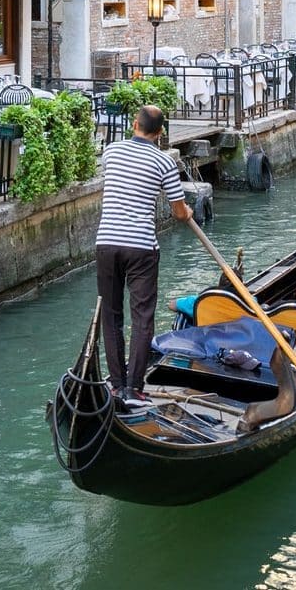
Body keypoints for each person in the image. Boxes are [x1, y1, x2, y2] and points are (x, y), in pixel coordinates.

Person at [96, 105, 194, 408]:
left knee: (111, 317)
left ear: (134, 124)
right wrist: (187, 211)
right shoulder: (164, 162)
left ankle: (116, 385)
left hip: (107, 243)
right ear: (161, 133)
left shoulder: (111, 152)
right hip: (140, 247)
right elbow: (179, 212)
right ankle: (134, 388)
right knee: (142, 317)